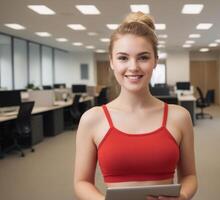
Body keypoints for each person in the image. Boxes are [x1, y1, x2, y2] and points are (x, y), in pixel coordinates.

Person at [74, 12, 197, 200]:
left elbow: (190, 176)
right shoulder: (93, 119)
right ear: (112, 62)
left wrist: (183, 196)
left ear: (155, 60)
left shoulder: (179, 116)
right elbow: (81, 182)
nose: (133, 67)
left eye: (143, 57)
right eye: (123, 58)